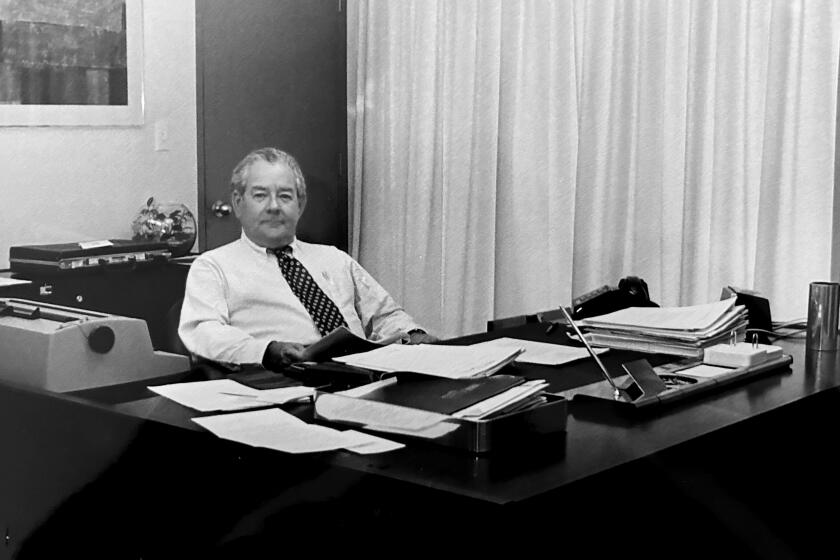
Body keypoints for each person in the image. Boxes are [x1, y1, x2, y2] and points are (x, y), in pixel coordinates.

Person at [179, 147, 435, 371]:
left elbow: (383, 314)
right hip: (283, 382)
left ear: (300, 205)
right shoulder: (213, 265)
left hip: (364, 375)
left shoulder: (334, 259)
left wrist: (413, 334)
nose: (274, 206)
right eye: (260, 195)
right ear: (237, 203)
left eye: (285, 196)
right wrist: (266, 351)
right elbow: (203, 331)